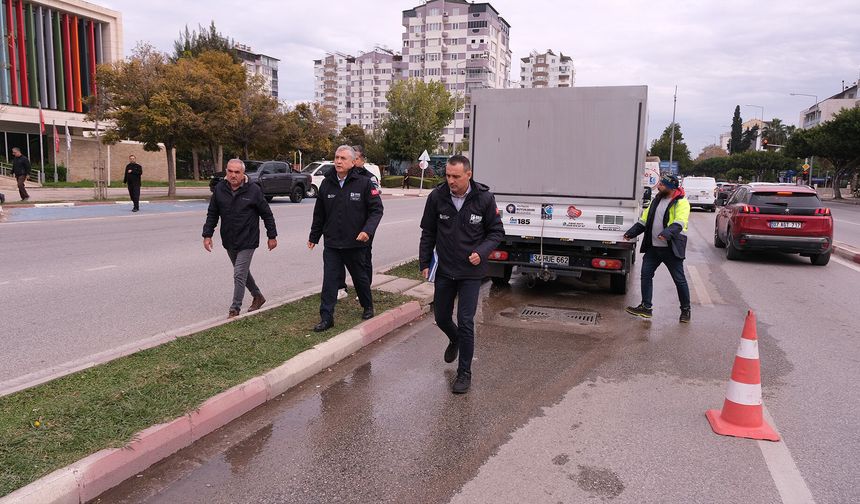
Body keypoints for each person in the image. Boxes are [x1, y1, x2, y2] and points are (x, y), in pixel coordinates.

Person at [419, 154, 504, 394]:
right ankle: (454, 338)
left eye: (456, 176)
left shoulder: (484, 199)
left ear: (469, 175)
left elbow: (496, 232)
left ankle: (464, 373)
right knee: (442, 318)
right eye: (447, 175)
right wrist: (425, 261)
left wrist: (482, 251)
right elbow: (428, 232)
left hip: (470, 272)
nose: (451, 181)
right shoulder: (437, 197)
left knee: (466, 321)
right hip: (445, 270)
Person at [308, 145, 384, 332]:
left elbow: (376, 210)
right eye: (336, 158)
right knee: (330, 281)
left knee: (360, 278)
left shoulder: (364, 182)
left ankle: (367, 306)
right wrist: (314, 236)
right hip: (333, 243)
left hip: (355, 243)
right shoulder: (327, 183)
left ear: (352, 162)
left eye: (343, 158)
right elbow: (319, 214)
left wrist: (367, 230)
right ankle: (327, 317)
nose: (338, 161)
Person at [203, 159, 278, 318]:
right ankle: (258, 296)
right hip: (229, 239)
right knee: (242, 272)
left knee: (238, 273)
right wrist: (207, 235)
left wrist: (272, 236)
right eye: (230, 171)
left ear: (243, 173)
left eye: (237, 172)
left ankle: (234, 308)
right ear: (226, 171)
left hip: (248, 239)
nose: (233, 175)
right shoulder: (219, 189)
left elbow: (267, 214)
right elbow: (212, 213)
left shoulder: (254, 190)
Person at [623, 174, 692, 323]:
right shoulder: (657, 200)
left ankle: (685, 310)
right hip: (653, 248)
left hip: (670, 248)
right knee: (646, 275)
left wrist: (667, 233)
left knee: (679, 280)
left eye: (662, 184)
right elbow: (644, 220)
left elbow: (680, 222)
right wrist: (631, 233)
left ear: (671, 187)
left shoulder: (681, 203)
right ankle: (646, 308)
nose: (659, 185)